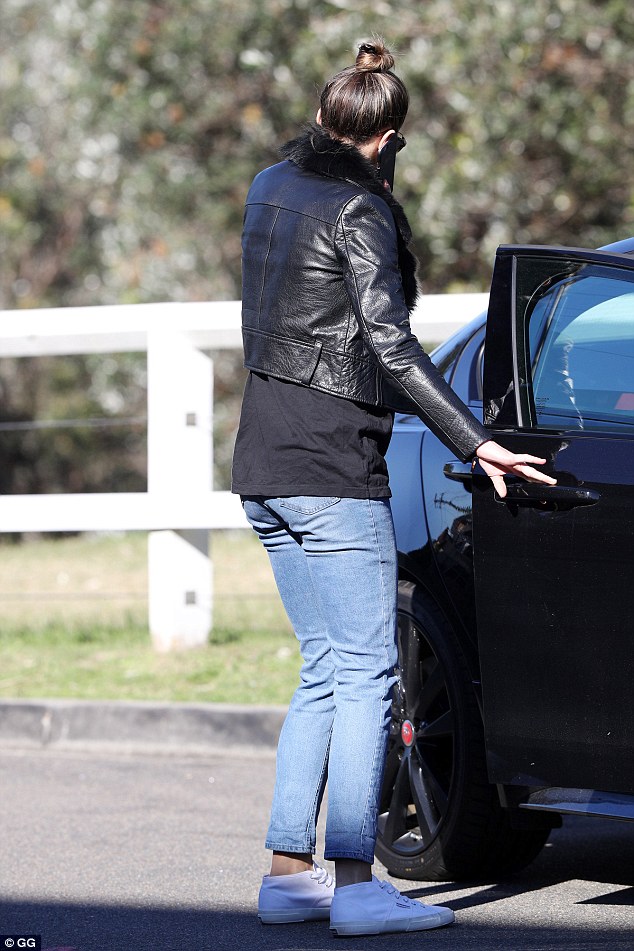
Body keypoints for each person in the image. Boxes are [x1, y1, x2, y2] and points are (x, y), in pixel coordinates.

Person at [231, 38, 556, 938]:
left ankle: (287, 877)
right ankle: (356, 883)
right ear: (388, 139)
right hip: (334, 467)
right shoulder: (361, 209)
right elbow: (391, 342)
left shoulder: (268, 184)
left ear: (324, 117)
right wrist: (477, 440)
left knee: (324, 669)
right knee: (369, 674)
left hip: (260, 465)